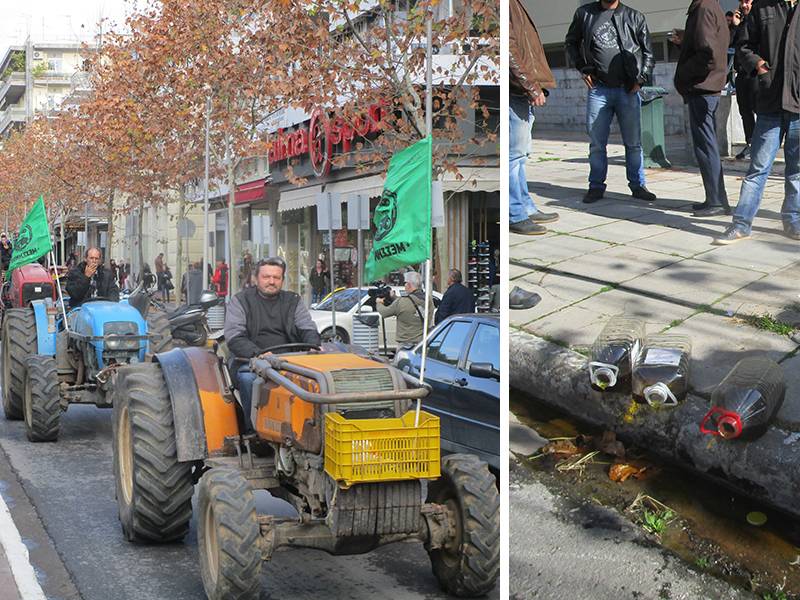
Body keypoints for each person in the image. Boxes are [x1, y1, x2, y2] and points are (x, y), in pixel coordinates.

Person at [715, 0, 800, 245]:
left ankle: (793, 220)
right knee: (758, 169)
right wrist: (759, 67)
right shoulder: (763, 6)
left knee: (796, 171)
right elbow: (743, 46)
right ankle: (741, 224)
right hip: (770, 103)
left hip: (798, 104)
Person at [565, 0, 657, 204]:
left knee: (634, 144)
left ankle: (638, 185)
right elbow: (571, 42)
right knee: (597, 144)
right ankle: (596, 186)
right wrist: (582, 67)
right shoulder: (584, 14)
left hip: (628, 89)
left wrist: (641, 80)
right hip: (599, 89)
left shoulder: (635, 17)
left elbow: (648, 52)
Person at [224, 257, 321, 429]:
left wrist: (313, 345)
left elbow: (307, 327)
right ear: (256, 278)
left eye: (276, 278)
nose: (271, 281)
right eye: (266, 277)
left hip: (289, 361)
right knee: (248, 380)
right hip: (251, 361)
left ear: (282, 280)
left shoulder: (293, 301)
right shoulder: (240, 301)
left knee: (318, 381)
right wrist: (258, 353)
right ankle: (253, 430)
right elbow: (234, 337)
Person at [674, 0, 731, 217]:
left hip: (702, 88)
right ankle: (716, 198)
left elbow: (707, 53)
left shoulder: (704, 7)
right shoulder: (711, 6)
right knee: (708, 146)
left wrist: (684, 74)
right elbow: (707, 46)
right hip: (707, 88)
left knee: (706, 147)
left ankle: (716, 201)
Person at [509, 0, 560, 235]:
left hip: (521, 91)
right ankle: (516, 213)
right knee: (514, 158)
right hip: (516, 91)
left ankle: (525, 207)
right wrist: (531, 87)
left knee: (520, 156)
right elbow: (509, 50)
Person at [376, 270, 433, 347]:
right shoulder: (428, 299)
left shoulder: (402, 301)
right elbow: (409, 304)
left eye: (405, 283)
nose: (404, 285)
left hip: (406, 344)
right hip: (422, 343)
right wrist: (394, 297)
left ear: (409, 285)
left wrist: (379, 302)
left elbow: (384, 312)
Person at [732, 0, 756, 160]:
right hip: (741, 74)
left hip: (755, 73)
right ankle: (751, 143)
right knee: (745, 110)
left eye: (747, 1)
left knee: (760, 110)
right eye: (742, 2)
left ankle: (761, 144)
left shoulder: (757, 19)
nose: (744, 5)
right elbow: (735, 44)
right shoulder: (740, 24)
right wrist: (736, 25)